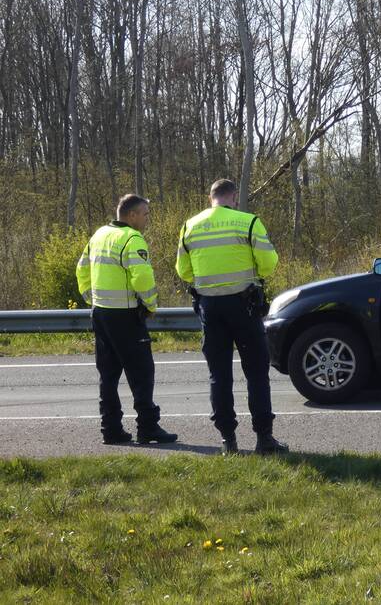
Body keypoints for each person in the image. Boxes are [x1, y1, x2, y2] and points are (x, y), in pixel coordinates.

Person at [175, 179, 288, 454]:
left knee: (219, 375)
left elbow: (183, 271)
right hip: (244, 305)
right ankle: (264, 438)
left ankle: (228, 440)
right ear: (233, 197)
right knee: (257, 373)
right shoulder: (247, 222)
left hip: (209, 308)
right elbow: (269, 263)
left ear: (210, 197)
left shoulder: (190, 225)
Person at [75, 194, 178, 445]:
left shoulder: (99, 234)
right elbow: (142, 277)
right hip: (126, 315)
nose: (147, 219)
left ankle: (110, 429)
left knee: (108, 374)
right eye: (145, 214)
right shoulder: (132, 238)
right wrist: (151, 305)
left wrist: (92, 298)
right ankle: (148, 428)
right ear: (131, 215)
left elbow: (81, 268)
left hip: (101, 313)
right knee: (141, 372)